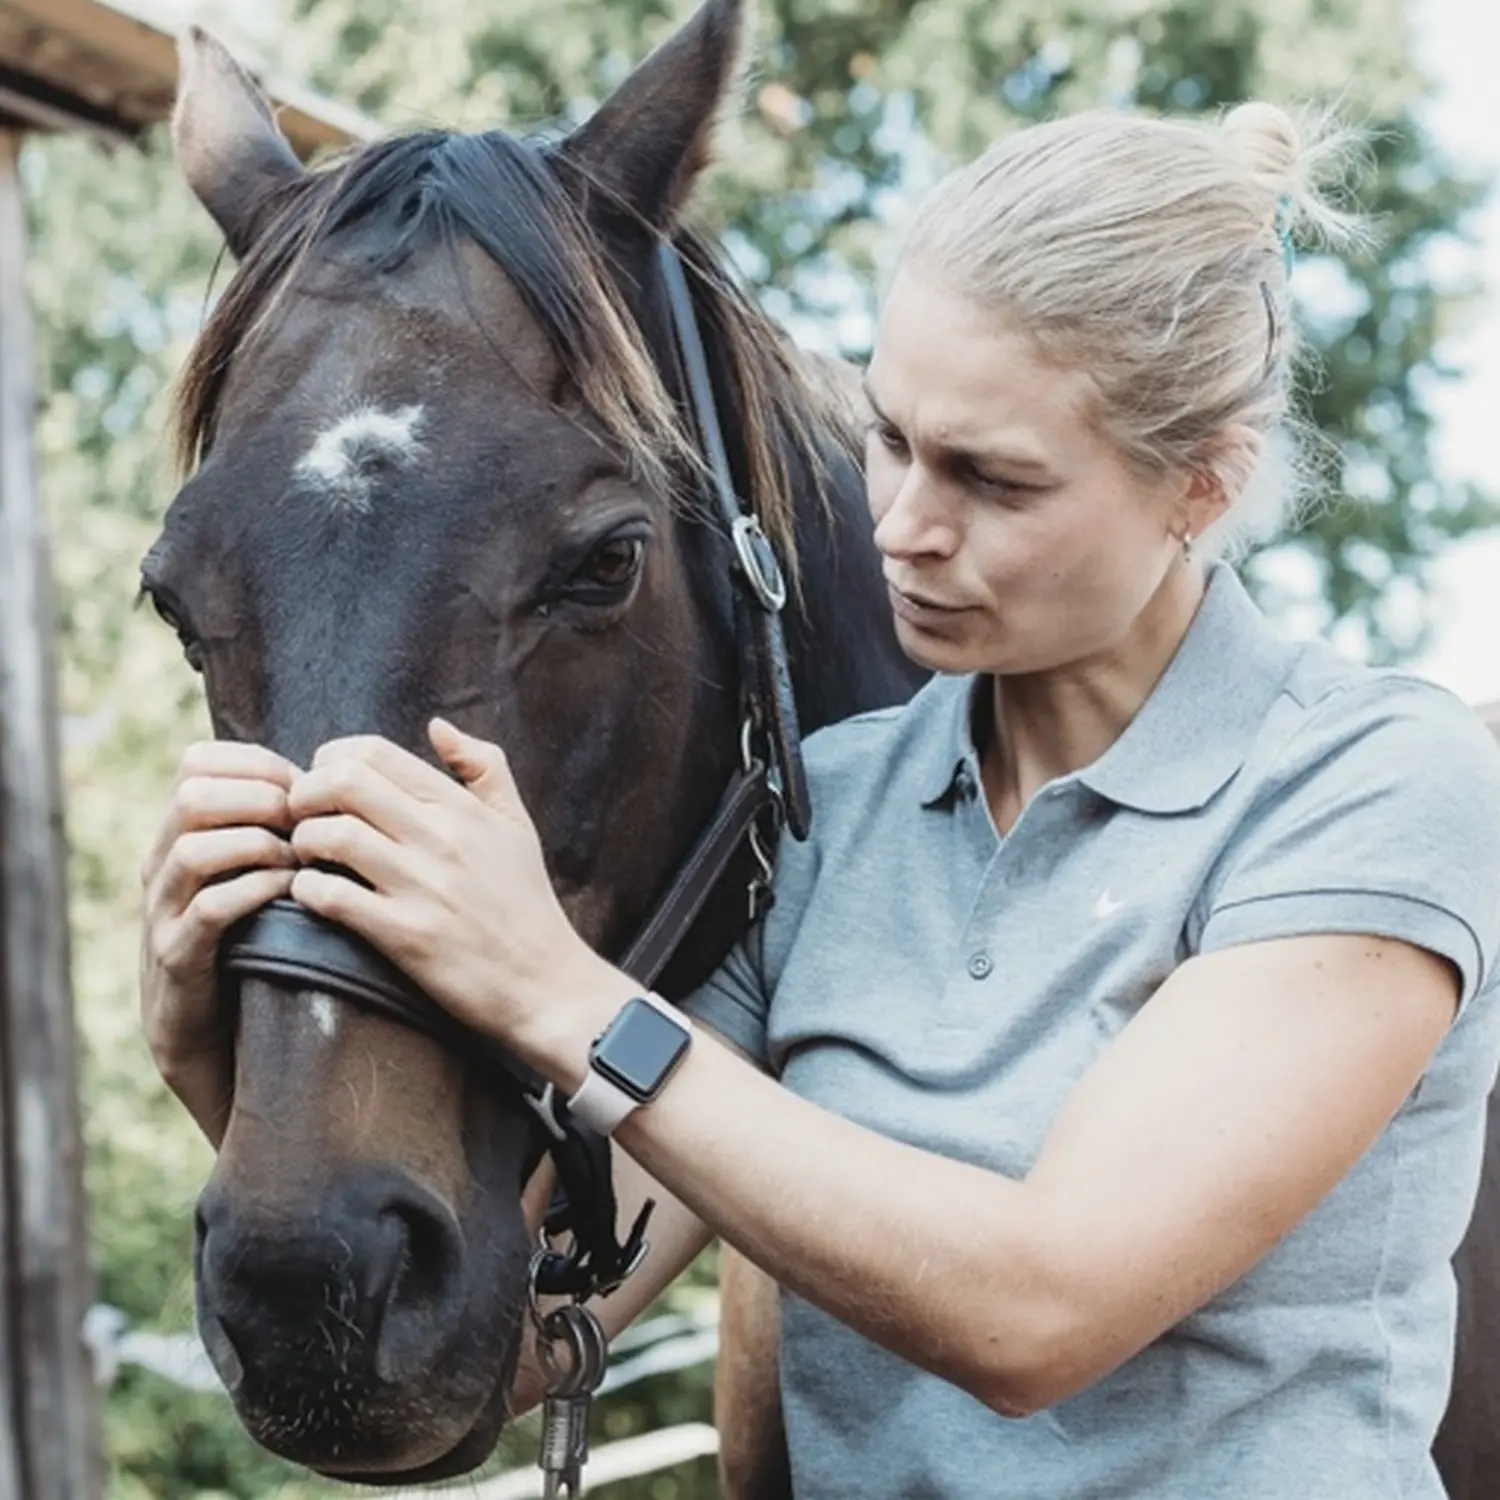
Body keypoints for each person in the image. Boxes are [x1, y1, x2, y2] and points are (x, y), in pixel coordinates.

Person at [140, 101, 1500, 1499]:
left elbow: (1043, 1313)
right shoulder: (820, 814)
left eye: (992, 477)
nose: (902, 523)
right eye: (893, 437)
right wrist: (217, 1064)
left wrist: (554, 990)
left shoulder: (1366, 783)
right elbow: (507, 1350)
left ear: (1199, 489)